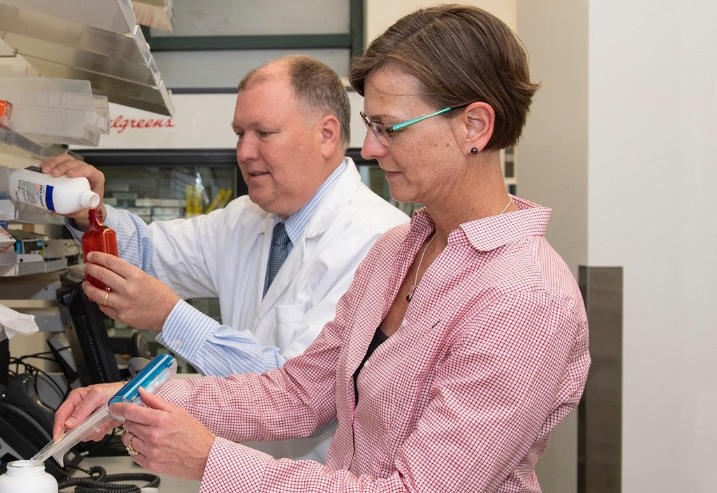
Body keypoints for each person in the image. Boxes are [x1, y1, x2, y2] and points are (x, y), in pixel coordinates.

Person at [53, 5, 591, 492]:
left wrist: (210, 460)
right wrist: (131, 398)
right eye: (371, 126)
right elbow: (298, 393)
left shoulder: (525, 299)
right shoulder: (396, 252)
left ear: (474, 124)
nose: (373, 148)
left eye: (389, 128)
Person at [42, 55, 407, 460]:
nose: (245, 152)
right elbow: (148, 252)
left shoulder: (378, 239)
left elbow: (297, 392)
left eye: (264, 133)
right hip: (236, 467)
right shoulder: (247, 219)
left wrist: (169, 317)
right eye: (239, 133)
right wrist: (89, 212)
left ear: (326, 134)